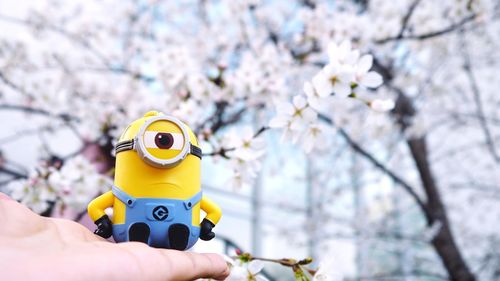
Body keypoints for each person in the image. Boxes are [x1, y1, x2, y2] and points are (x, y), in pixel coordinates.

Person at [0, 193, 229, 280]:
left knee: (178, 234)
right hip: (134, 226)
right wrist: (103, 222)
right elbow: (96, 206)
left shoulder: (193, 194)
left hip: (181, 226)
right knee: (138, 232)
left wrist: (206, 225)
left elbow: (213, 210)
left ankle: (175, 234)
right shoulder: (121, 192)